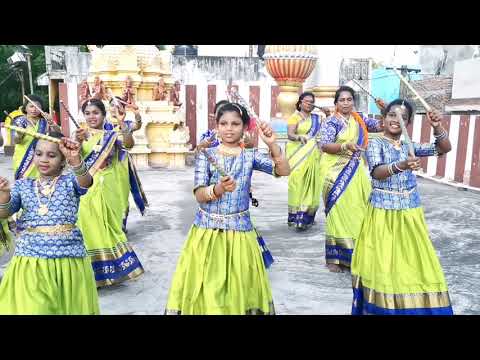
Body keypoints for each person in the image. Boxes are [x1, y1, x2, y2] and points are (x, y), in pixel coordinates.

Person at [165, 102, 290, 315]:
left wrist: (272, 145)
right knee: (207, 287)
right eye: (224, 123)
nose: (229, 128)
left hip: (240, 234)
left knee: (239, 285)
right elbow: (198, 194)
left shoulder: (250, 156)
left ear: (244, 127)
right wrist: (218, 188)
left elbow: (284, 171)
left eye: (235, 123)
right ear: (217, 126)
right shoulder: (206, 154)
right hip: (207, 233)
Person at [351, 99, 453, 315]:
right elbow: (377, 171)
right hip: (382, 213)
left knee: (415, 260)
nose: (396, 120)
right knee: (384, 262)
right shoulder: (375, 143)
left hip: (410, 211)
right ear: (383, 118)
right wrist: (403, 165)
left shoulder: (410, 145)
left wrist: (437, 127)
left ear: (408, 122)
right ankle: (384, 308)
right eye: (392, 115)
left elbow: (444, 148)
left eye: (402, 117)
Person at [0, 131, 99, 314]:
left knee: (67, 307)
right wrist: (4, 194)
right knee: (35, 308)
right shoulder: (23, 185)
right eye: (38, 154)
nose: (43, 159)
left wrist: (75, 159)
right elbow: (4, 212)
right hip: (31, 258)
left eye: (51, 155)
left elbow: (86, 182)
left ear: (62, 160)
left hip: (67, 258)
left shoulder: (70, 181)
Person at [74, 99, 145, 287]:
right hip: (88, 188)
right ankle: (91, 271)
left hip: (110, 185)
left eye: (95, 112)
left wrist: (123, 124)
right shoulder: (80, 134)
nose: (91, 116)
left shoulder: (111, 135)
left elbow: (128, 145)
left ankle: (115, 268)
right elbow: (74, 161)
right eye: (87, 113)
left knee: (110, 226)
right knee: (88, 225)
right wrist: (77, 142)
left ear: (104, 115)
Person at [318, 86, 384, 272]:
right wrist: (345, 145)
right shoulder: (332, 122)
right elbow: (324, 145)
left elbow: (381, 126)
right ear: (336, 103)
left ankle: (354, 255)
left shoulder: (359, 119)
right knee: (337, 212)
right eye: (342, 100)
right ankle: (334, 259)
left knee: (358, 211)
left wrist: (383, 110)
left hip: (356, 170)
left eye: (349, 99)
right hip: (334, 171)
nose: (346, 103)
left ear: (353, 101)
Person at [286, 92, 322, 230]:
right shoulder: (294, 117)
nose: (309, 104)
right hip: (297, 155)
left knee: (312, 184)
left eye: (312, 102)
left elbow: (322, 136)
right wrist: (298, 138)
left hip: (313, 155)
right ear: (300, 103)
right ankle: (295, 216)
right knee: (297, 184)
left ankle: (306, 217)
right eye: (307, 101)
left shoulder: (318, 118)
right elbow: (290, 134)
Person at [12, 95, 61, 180]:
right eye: (31, 106)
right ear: (25, 108)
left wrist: (52, 123)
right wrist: (19, 134)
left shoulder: (44, 121)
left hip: (41, 157)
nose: (34, 109)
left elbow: (58, 134)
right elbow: (16, 141)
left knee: (41, 183)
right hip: (23, 158)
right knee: (24, 183)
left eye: (37, 107)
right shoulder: (19, 121)